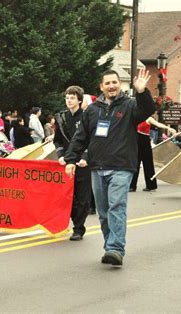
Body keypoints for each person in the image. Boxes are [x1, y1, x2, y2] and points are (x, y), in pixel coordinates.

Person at [64, 68, 154, 266]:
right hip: (97, 167)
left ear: (119, 84)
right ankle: (110, 246)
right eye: (108, 83)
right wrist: (71, 159)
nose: (112, 86)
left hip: (122, 165)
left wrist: (141, 91)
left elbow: (148, 110)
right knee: (103, 211)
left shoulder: (130, 106)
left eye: (115, 82)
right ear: (101, 87)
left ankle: (116, 248)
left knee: (116, 206)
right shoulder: (92, 111)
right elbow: (81, 137)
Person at [54, 85, 91, 241]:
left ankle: (79, 228)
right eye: (67, 98)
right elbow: (57, 141)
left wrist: (85, 157)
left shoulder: (87, 116)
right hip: (67, 162)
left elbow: (91, 140)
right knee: (68, 196)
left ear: (79, 100)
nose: (69, 100)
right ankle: (73, 221)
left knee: (82, 197)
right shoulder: (61, 118)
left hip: (82, 162)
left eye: (73, 98)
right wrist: (61, 155)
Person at [129, 114, 176, 192]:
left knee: (148, 164)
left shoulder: (149, 119)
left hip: (145, 143)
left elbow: (158, 124)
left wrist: (168, 128)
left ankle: (151, 186)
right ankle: (132, 186)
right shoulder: (135, 117)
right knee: (135, 164)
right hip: (136, 142)